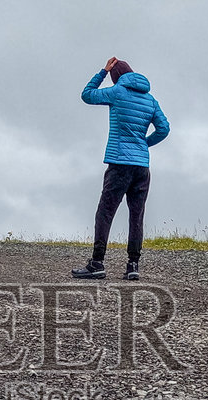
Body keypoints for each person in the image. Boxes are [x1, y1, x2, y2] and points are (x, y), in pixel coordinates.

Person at [72, 57, 169, 280]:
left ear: (116, 76)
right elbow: (164, 128)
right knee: (136, 216)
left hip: (119, 164)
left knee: (105, 212)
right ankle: (133, 266)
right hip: (142, 167)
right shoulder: (150, 100)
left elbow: (87, 95)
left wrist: (102, 72)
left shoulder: (116, 92)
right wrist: (145, 143)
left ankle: (97, 263)